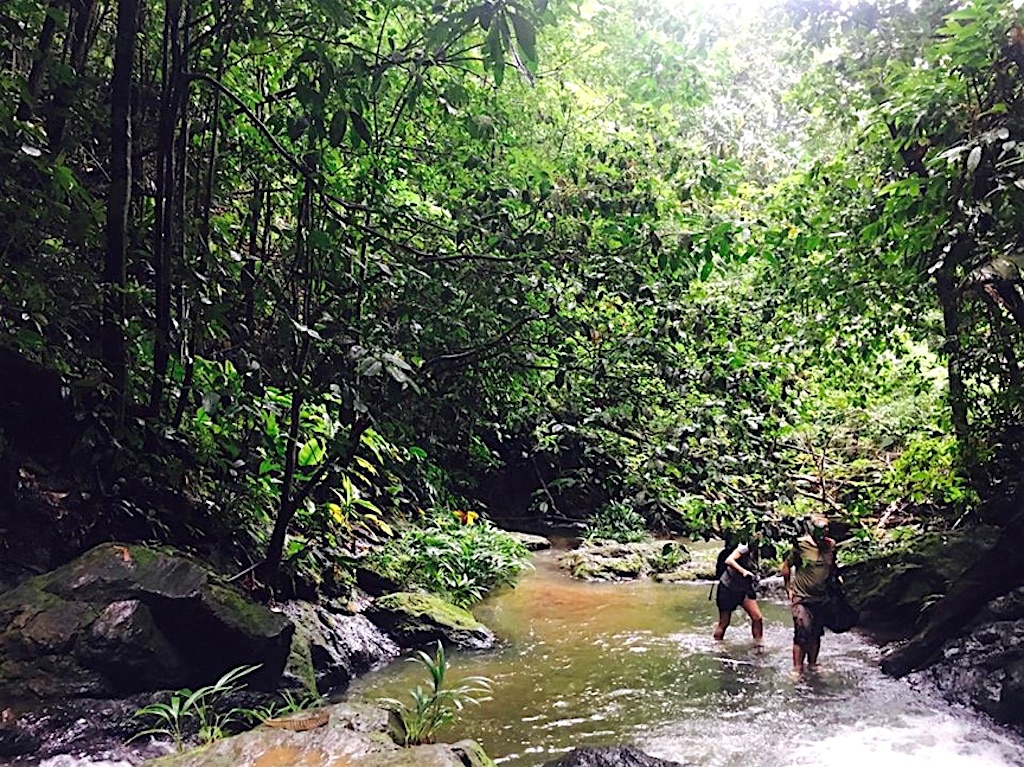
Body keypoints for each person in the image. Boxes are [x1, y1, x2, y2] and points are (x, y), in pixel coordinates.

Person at [781, 514, 836, 672]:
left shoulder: (830, 545)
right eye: (820, 529)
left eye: (826, 529)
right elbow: (786, 566)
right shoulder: (800, 545)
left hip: (821, 597)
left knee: (816, 632)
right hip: (802, 597)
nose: (824, 533)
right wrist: (788, 587)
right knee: (802, 630)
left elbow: (832, 566)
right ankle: (797, 668)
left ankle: (813, 663)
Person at [712, 540, 763, 644]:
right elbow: (729, 560)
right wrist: (743, 571)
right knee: (724, 623)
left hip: (744, 589)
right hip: (728, 588)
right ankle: (717, 644)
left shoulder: (759, 549)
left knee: (757, 618)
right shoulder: (744, 547)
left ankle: (758, 645)